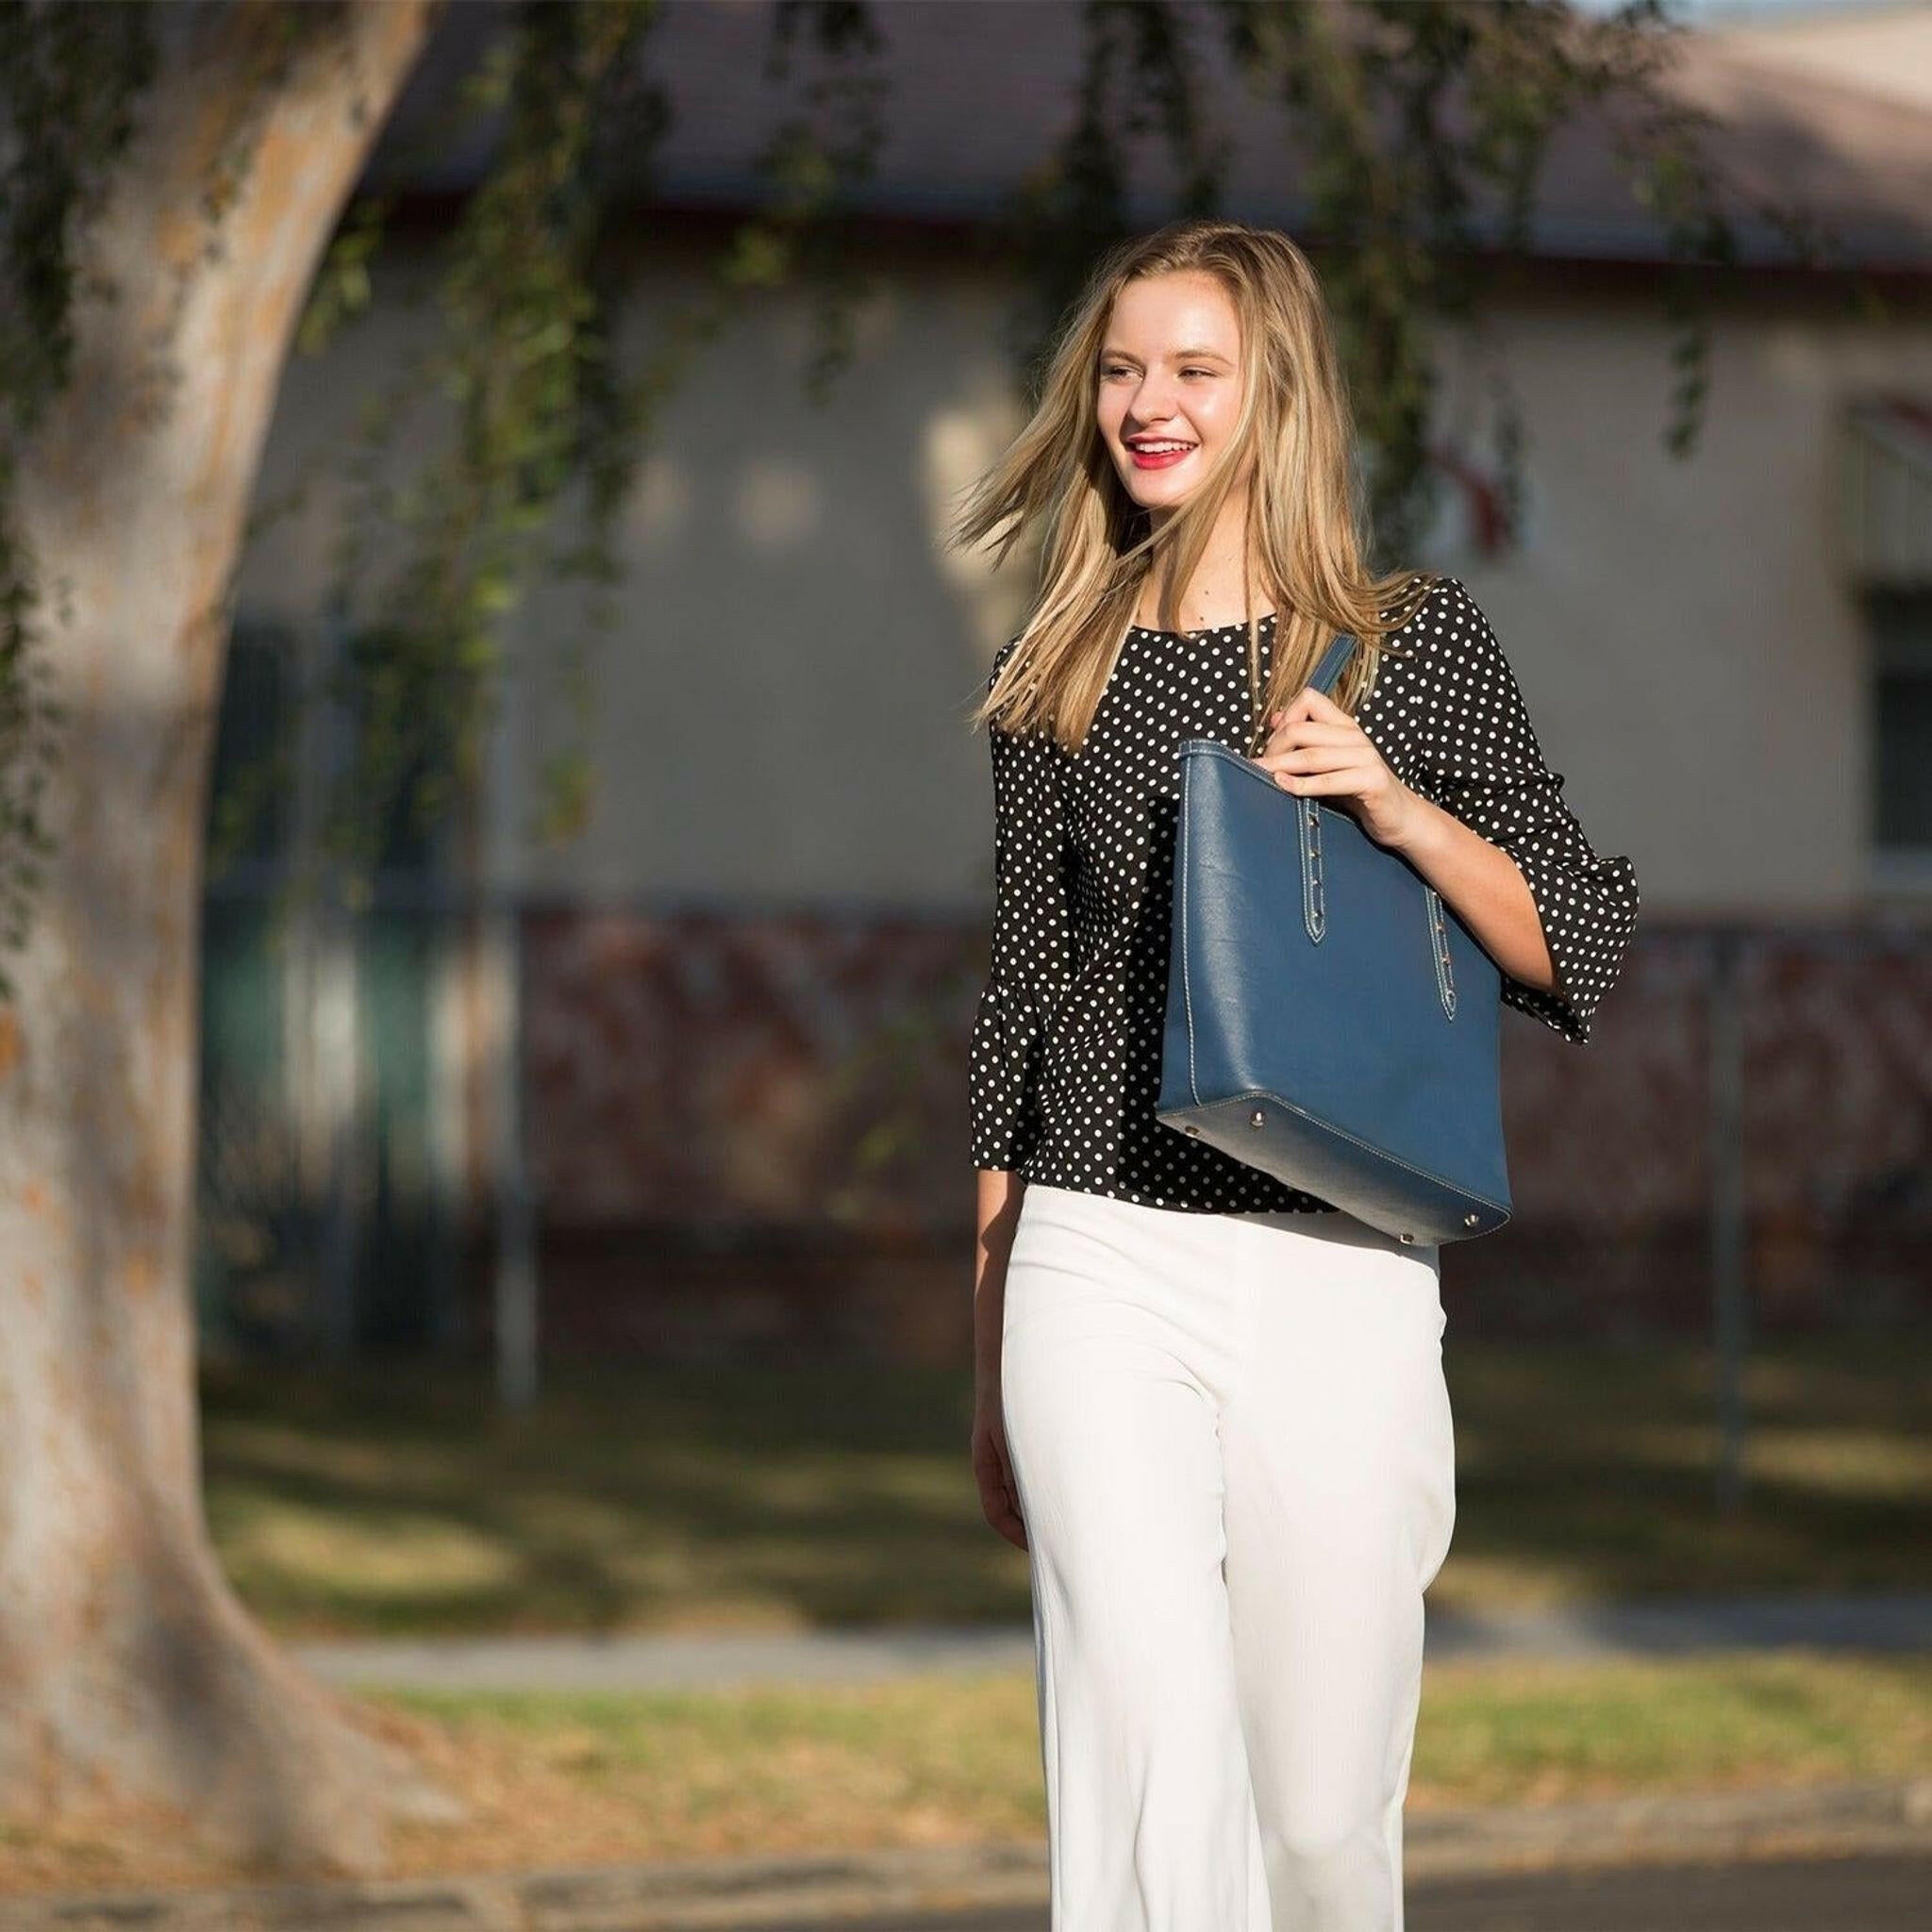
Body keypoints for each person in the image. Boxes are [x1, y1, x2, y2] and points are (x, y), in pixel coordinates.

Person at [945, 219, 1641, 1931]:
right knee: (1147, 1761)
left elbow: (1583, 945)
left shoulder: (1412, 643)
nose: (1145, 404)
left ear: (1277, 393)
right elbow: (1024, 1007)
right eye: (1119, 369)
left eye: (1192, 369)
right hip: (1097, 1256)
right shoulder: (1060, 664)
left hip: (1337, 1260)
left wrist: (1393, 799)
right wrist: (987, 1344)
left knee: (1322, 1816)